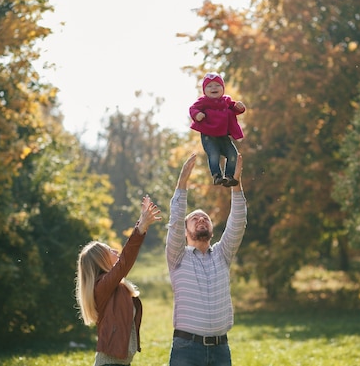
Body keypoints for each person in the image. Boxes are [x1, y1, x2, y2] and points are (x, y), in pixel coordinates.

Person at [166, 152, 247, 366]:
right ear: (186, 232)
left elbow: (238, 223)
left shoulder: (223, 254)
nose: (201, 219)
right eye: (194, 218)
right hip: (186, 350)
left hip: (221, 350)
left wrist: (236, 184)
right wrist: (182, 183)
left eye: (206, 218)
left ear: (212, 229)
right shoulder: (177, 257)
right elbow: (174, 224)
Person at [76, 195, 161, 366]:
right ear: (101, 260)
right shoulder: (102, 287)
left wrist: (141, 223)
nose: (115, 250)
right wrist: (141, 227)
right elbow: (124, 262)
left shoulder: (112, 287)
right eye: (109, 249)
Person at [189, 72, 246, 187]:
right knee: (213, 154)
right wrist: (197, 115)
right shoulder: (203, 101)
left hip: (223, 135)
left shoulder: (226, 101)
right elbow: (193, 108)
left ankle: (229, 176)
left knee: (233, 154)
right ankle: (217, 176)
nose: (213, 88)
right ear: (204, 91)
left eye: (217, 85)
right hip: (208, 135)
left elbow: (234, 109)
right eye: (209, 86)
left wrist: (239, 108)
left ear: (223, 88)